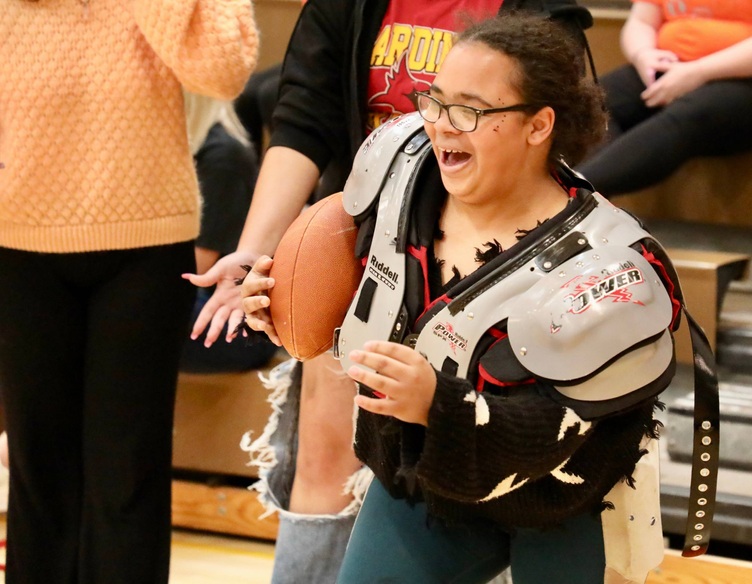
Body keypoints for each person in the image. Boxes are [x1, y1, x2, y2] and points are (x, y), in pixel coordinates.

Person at [244, 12, 691, 583]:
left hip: (560, 506)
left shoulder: (609, 266)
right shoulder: (397, 175)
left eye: (471, 110)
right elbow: (356, 303)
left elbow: (553, 436)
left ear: (538, 125)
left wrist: (437, 404)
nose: (441, 125)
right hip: (421, 486)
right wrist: (277, 306)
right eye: (434, 100)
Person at [185, 1, 593, 582]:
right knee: (326, 469)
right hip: (363, 252)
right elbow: (304, 119)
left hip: (492, 264)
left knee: (482, 472)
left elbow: (566, 137)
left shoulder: (540, 12)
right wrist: (257, 248)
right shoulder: (348, 5)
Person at [0, 2, 258, 582]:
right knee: (37, 471)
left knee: (129, 471)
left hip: (148, 243)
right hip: (18, 239)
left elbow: (224, 71)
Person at [577, 0, 752, 197]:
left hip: (740, 77)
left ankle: (573, 198)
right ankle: (581, 200)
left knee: (691, 113)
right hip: (666, 67)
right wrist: (643, 55)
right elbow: (642, 21)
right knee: (589, 104)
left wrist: (699, 72)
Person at [181, 92, 277, 373]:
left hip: (241, 320)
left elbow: (192, 272)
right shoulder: (195, 147)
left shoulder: (222, 157)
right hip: (207, 301)